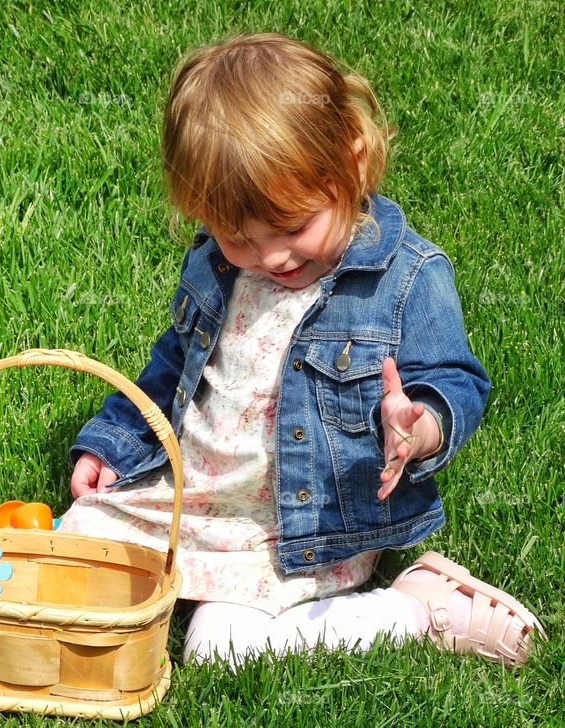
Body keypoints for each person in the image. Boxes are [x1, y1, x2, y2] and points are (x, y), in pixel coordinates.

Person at [57, 32, 543, 667]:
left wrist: (418, 426)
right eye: (237, 236)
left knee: (221, 650)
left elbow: (454, 380)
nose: (271, 257)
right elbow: (172, 366)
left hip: (296, 529)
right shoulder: (215, 264)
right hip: (191, 498)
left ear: (352, 161)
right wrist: (113, 441)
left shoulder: (406, 277)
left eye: (292, 227)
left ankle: (415, 608)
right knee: (76, 545)